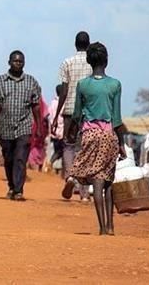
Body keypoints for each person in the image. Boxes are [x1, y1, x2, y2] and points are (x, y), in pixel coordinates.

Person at [61, 43, 125, 235]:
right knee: (108, 181)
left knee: (96, 181)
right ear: (106, 60)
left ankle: (102, 227)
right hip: (108, 135)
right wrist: (121, 143)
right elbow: (117, 118)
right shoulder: (115, 85)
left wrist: (71, 132)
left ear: (89, 61)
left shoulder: (83, 85)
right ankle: (111, 225)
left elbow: (77, 114)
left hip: (90, 134)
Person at [0, 50, 42, 201]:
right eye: (15, 61)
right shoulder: (0, 81)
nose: (18, 64)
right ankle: (12, 186)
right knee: (9, 159)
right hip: (5, 126)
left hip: (24, 125)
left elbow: (36, 106)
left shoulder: (31, 82)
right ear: (9, 62)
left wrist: (38, 125)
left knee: (20, 158)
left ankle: (19, 190)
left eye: (20, 61)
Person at [52, 31, 93, 200]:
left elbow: (64, 90)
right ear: (88, 45)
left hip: (69, 110)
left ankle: (69, 177)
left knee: (68, 145)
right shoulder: (93, 63)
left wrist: (56, 116)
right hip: (88, 111)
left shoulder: (66, 63)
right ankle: (84, 194)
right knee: (84, 149)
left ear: (75, 44)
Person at [28, 98, 50, 171]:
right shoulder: (43, 105)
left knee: (32, 150)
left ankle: (36, 170)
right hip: (39, 131)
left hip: (34, 131)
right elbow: (46, 117)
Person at [48, 84, 66, 173]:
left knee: (58, 151)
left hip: (54, 131)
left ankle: (52, 166)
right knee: (62, 151)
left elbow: (49, 116)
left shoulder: (52, 102)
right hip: (61, 130)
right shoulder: (63, 104)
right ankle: (50, 164)